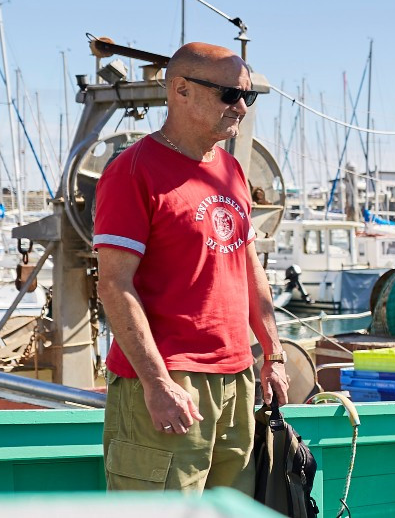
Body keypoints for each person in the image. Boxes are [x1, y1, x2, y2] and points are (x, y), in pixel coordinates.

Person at [93, 42, 288, 491]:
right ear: (180, 90)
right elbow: (114, 285)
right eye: (228, 94)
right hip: (168, 382)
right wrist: (157, 384)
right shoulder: (132, 171)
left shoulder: (231, 171)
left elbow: (248, 266)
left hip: (236, 379)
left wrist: (272, 354)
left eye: (247, 96)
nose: (240, 106)